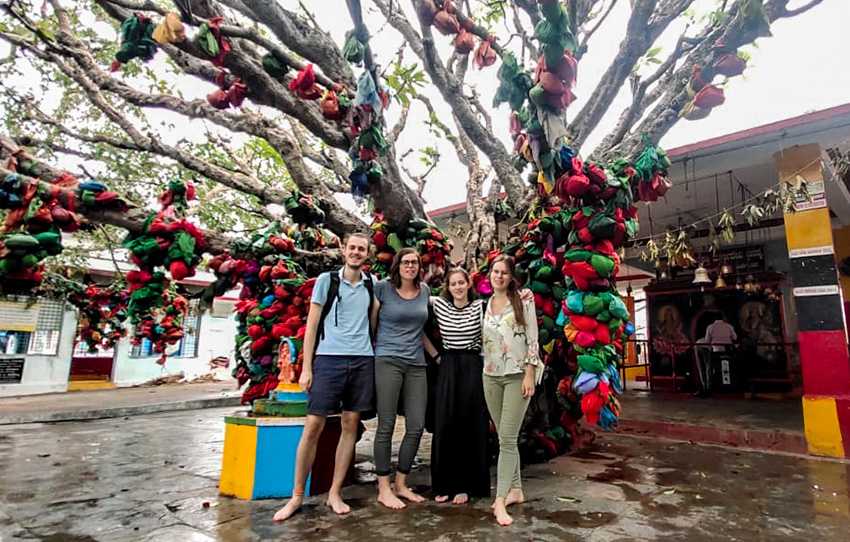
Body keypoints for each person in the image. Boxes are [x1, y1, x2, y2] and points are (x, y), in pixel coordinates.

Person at [273, 232, 376, 522]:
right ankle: (296, 496)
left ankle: (335, 492)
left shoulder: (371, 285)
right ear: (344, 250)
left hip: (361, 360)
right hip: (329, 359)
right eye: (352, 248)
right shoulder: (326, 281)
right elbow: (312, 324)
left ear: (367, 254)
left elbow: (373, 322)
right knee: (314, 424)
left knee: (350, 424)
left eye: (361, 249)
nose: (356, 252)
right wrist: (306, 368)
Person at [371, 248, 437, 509]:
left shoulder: (425, 291)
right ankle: (383, 487)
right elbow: (372, 322)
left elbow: (420, 331)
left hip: (417, 364)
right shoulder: (382, 289)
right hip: (387, 360)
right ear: (397, 265)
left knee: (416, 425)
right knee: (386, 425)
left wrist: (437, 357)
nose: (410, 266)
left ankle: (401, 483)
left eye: (415, 263)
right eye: (406, 262)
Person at [481, 255, 543, 527]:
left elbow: (533, 338)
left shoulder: (524, 299)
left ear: (511, 276)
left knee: (506, 438)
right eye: (495, 271)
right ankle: (516, 489)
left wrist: (530, 372)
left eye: (504, 273)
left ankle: (500, 499)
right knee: (506, 437)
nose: (499, 276)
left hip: (518, 375)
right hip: (490, 375)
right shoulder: (486, 303)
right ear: (490, 275)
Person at [430, 267, 490, 505]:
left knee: (469, 423)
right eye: (453, 283)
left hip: (472, 365)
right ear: (448, 286)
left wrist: (525, 294)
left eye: (461, 283)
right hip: (447, 365)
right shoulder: (438, 305)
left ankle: (466, 486)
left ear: (468, 284)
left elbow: (506, 299)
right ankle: (444, 484)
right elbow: (410, 295)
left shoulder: (480, 307)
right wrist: (435, 356)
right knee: (445, 423)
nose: (457, 287)